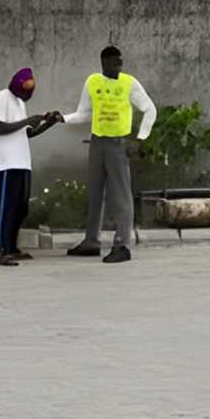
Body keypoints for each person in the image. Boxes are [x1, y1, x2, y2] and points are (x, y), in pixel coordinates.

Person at [61, 46, 157, 264]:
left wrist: (140, 139)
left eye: (120, 63)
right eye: (114, 63)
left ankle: (122, 244)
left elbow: (150, 109)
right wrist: (62, 118)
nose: (118, 67)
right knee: (95, 193)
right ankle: (91, 241)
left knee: (121, 196)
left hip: (118, 144)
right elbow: (84, 113)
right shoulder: (92, 82)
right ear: (103, 64)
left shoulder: (129, 83)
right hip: (97, 143)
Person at [0, 67, 59, 266]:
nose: (27, 96)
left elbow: (27, 133)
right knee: (6, 208)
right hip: (7, 163)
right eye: (25, 92)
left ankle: (12, 247)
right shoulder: (2, 98)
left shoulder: (19, 102)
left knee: (21, 207)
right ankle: (2, 251)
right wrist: (29, 120)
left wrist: (48, 122)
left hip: (22, 162)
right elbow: (0, 128)